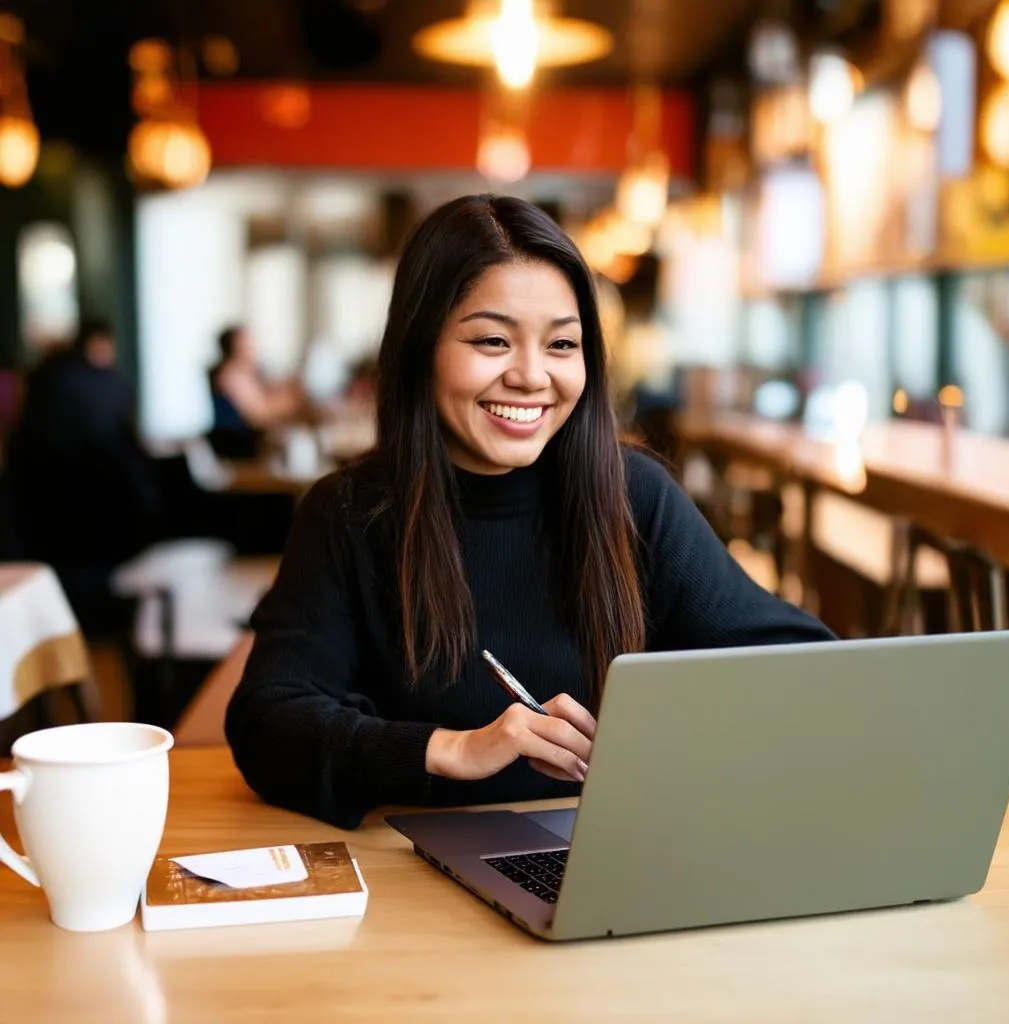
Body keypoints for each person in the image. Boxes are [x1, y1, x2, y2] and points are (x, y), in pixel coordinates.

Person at [225, 195, 834, 829]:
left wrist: (663, 737)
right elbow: (267, 722)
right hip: (411, 881)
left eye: (562, 344)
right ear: (421, 345)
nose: (531, 376)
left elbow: (799, 666)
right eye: (492, 340)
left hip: (605, 863)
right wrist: (452, 748)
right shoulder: (349, 515)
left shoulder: (632, 496)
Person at [7, 318, 161, 633]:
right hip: (107, 523)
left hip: (45, 525)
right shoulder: (113, 385)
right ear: (100, 344)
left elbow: (19, 451)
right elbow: (132, 454)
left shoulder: (40, 381)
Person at [207, 324, 303, 458]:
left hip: (251, 442)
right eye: (248, 343)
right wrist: (291, 401)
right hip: (239, 448)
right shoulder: (230, 376)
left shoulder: (247, 372)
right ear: (235, 347)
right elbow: (258, 415)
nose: (254, 348)